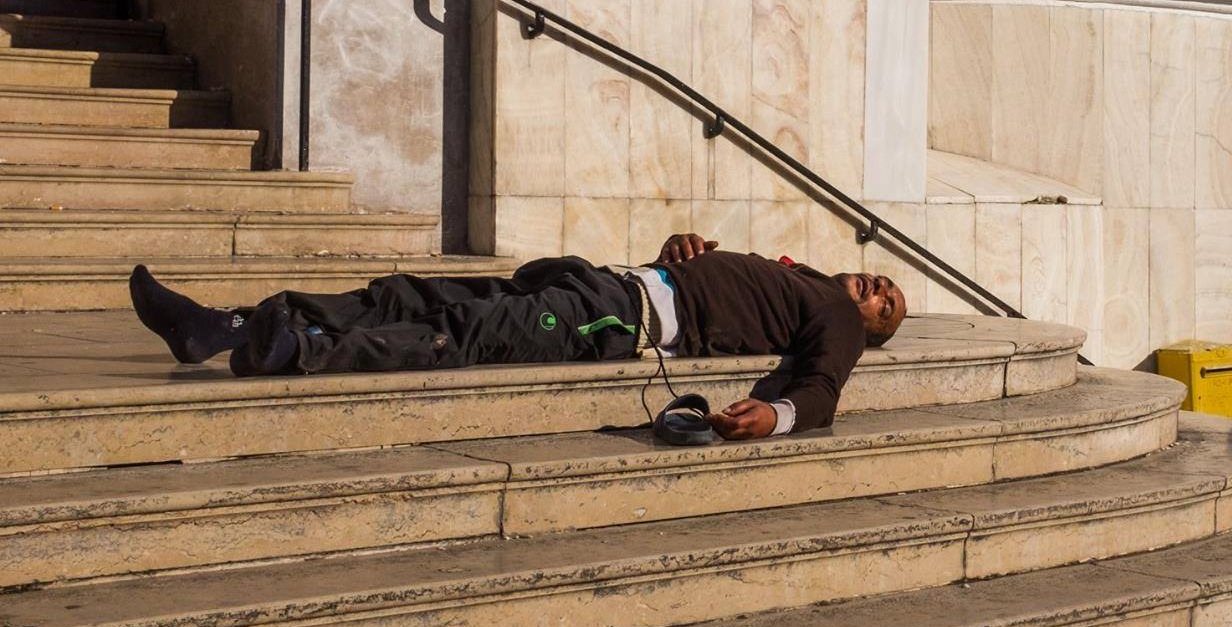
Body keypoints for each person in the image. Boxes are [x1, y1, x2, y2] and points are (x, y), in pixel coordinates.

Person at [126, 234, 906, 440]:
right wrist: (685, 242)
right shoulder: (804, 276)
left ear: (871, 330)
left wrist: (776, 414)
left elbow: (822, 390)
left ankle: (283, 347)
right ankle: (229, 324)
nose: (878, 291)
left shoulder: (834, 323)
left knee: (450, 332)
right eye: (881, 281)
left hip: (614, 320)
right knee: (409, 291)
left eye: (889, 307)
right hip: (604, 282)